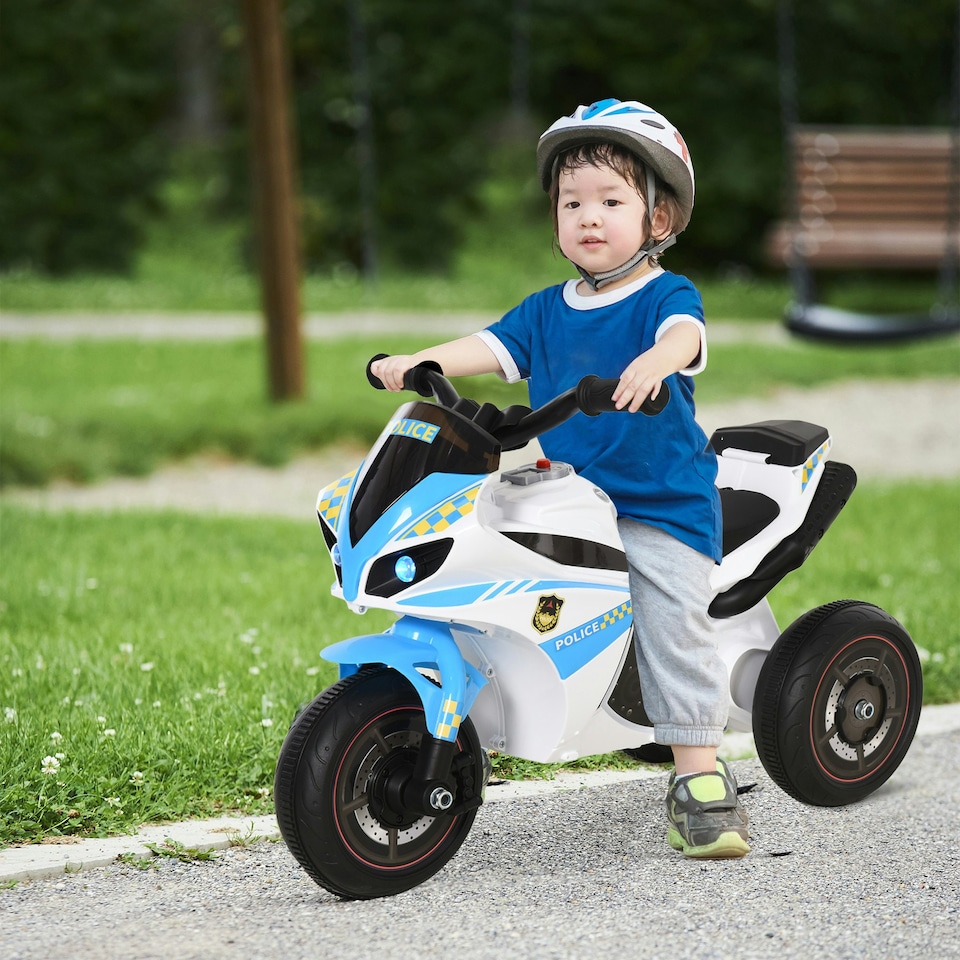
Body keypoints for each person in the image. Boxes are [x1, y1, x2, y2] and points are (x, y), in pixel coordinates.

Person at [371, 98, 750, 859]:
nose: (588, 216)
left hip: (657, 504)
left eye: (612, 201)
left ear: (660, 218)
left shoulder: (662, 298)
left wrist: (656, 359)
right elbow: (490, 343)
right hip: (571, 496)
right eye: (572, 202)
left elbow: (687, 334)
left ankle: (699, 778)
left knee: (670, 618)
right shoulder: (547, 310)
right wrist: (418, 362)